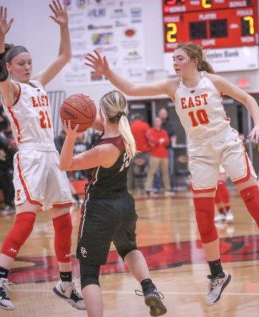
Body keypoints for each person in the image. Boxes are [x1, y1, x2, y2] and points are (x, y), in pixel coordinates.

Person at [85, 42, 259, 306]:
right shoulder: (172, 87)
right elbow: (130, 89)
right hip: (200, 152)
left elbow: (248, 99)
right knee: (204, 216)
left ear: (194, 60)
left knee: (254, 202)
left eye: (180, 58)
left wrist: (258, 124)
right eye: (173, 59)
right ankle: (217, 275)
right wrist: (108, 72)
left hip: (227, 144)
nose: (175, 62)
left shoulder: (214, 81)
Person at [0, 2, 85, 311]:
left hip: (51, 155)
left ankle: (66, 283)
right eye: (22, 63)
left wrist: (64, 25)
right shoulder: (10, 89)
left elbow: (65, 56)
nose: (27, 67)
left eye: (29, 62)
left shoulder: (38, 83)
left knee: (63, 219)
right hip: (30, 157)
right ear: (11, 67)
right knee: (26, 218)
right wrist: (0, 39)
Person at [59, 90, 167, 317]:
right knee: (129, 249)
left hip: (100, 208)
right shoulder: (125, 135)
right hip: (125, 205)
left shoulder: (104, 149)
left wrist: (70, 136)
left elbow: (65, 164)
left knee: (89, 273)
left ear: (103, 112)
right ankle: (149, 288)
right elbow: (101, 122)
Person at [145, 117, 172, 196]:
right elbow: (151, 140)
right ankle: (148, 189)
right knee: (151, 172)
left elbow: (167, 142)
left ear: (161, 123)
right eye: (156, 121)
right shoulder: (150, 131)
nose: (157, 122)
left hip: (164, 155)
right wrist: (160, 141)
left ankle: (167, 189)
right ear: (154, 122)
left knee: (165, 173)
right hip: (154, 155)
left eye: (158, 121)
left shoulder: (164, 132)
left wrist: (157, 141)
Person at [129, 113, 151, 193]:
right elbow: (150, 138)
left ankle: (134, 188)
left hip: (135, 153)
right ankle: (146, 187)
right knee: (148, 170)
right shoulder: (145, 125)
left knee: (134, 171)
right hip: (145, 152)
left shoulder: (130, 127)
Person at [157, 107, 177, 190]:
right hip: (158, 150)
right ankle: (159, 187)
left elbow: (173, 136)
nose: (163, 115)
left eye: (164, 113)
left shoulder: (170, 124)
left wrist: (174, 144)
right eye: (162, 113)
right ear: (159, 114)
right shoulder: (156, 124)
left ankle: (172, 187)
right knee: (158, 170)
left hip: (168, 149)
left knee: (170, 169)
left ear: (167, 115)